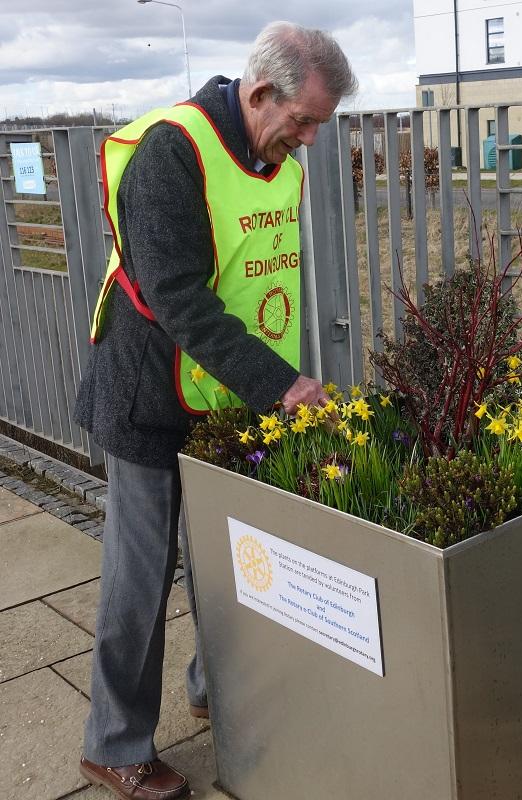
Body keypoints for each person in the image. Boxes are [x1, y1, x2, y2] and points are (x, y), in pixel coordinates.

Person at [74, 21, 357, 800]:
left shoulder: (276, 163)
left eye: (315, 128)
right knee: (140, 574)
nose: (303, 142)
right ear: (260, 92)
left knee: (224, 564)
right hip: (150, 394)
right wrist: (283, 386)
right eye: (300, 122)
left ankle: (215, 687)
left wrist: (270, 381)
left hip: (228, 395)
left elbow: (264, 281)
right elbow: (178, 299)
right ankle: (114, 743)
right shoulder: (171, 152)